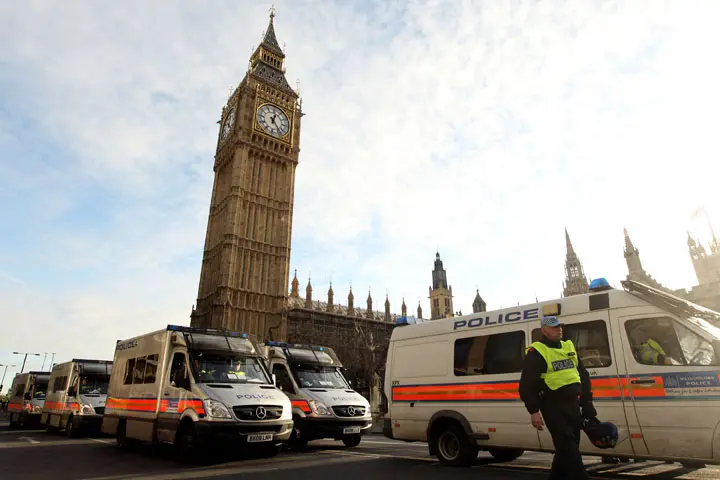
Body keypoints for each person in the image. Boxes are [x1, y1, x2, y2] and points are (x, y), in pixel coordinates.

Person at [519, 316, 596, 479]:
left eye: (559, 326)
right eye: (554, 327)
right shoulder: (537, 352)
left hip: (573, 405)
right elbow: (527, 385)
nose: (558, 329)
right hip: (553, 407)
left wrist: (587, 402)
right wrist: (534, 411)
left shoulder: (568, 346)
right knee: (570, 450)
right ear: (544, 331)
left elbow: (582, 375)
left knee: (567, 449)